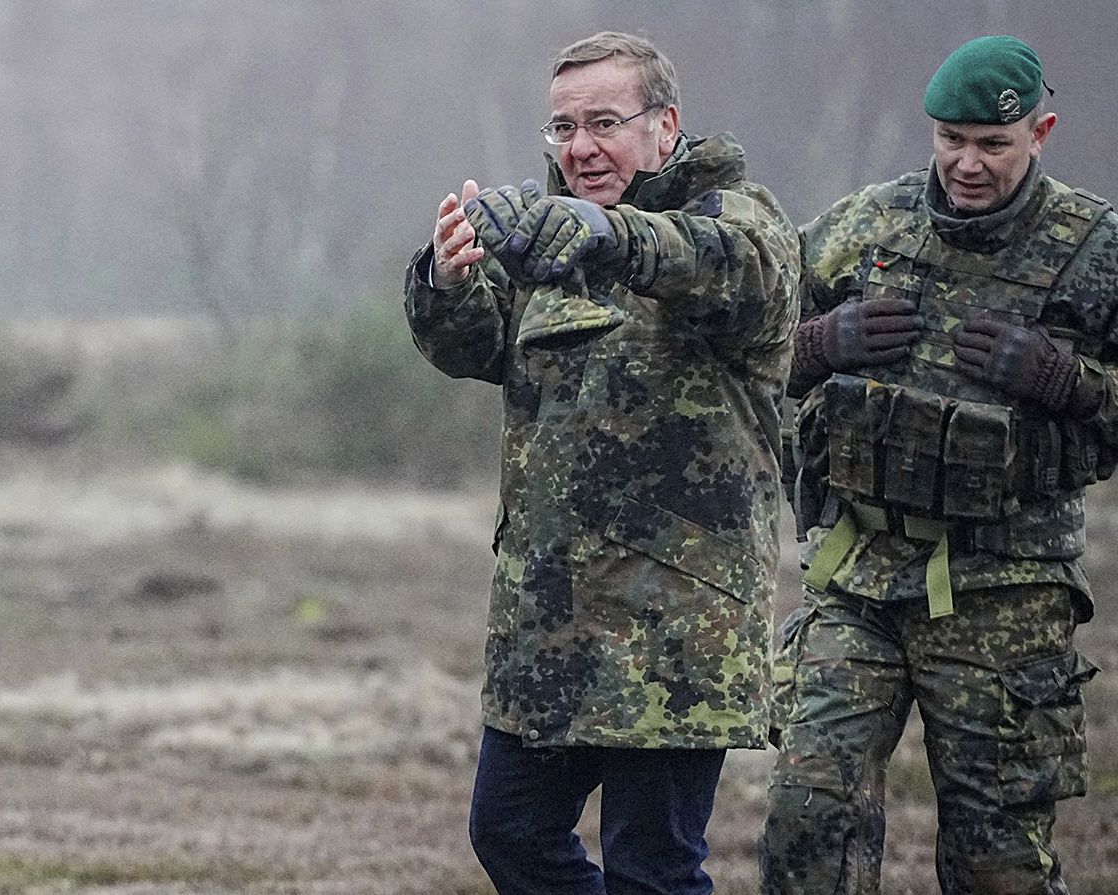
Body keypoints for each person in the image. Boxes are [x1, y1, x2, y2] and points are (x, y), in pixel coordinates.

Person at [403, 30, 799, 895]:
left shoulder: (735, 218)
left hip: (676, 624)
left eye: (604, 122)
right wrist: (448, 274)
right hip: (551, 621)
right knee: (507, 830)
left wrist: (607, 234)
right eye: (562, 128)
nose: (580, 147)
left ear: (666, 127)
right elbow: (473, 344)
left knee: (652, 866)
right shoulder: (545, 245)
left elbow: (739, 275)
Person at [762, 35, 1112, 894]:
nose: (966, 163)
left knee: (997, 863)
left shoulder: (1096, 250)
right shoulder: (859, 227)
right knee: (810, 821)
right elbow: (743, 359)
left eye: (992, 145)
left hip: (1005, 594)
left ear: (1042, 132)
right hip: (858, 577)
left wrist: (1070, 381)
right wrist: (811, 345)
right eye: (950, 139)